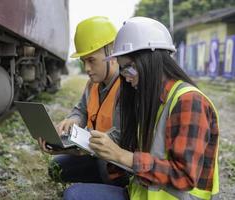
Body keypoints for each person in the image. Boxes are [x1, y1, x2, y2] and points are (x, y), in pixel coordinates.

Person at [63, 16, 220, 200]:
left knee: (75, 196)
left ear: (150, 61)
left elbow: (185, 176)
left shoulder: (189, 102)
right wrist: (76, 147)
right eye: (123, 70)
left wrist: (122, 156)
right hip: (141, 193)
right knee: (75, 194)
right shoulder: (150, 98)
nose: (126, 78)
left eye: (129, 69)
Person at [38, 16, 129, 187]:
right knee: (56, 168)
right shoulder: (92, 84)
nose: (86, 68)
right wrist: (74, 119)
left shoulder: (127, 88)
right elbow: (81, 109)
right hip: (94, 153)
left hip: (115, 165)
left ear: (112, 54)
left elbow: (117, 139)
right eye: (83, 61)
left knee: (81, 189)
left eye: (91, 60)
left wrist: (72, 148)